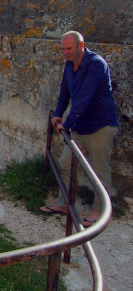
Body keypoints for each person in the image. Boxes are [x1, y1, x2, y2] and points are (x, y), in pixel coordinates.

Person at [39, 31, 118, 227]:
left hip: (100, 126)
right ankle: (64, 204)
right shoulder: (69, 64)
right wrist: (58, 113)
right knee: (66, 163)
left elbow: (84, 97)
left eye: (69, 48)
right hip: (80, 126)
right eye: (63, 49)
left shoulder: (96, 64)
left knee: (99, 172)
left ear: (81, 45)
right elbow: (65, 91)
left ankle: (100, 211)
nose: (65, 53)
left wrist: (66, 123)